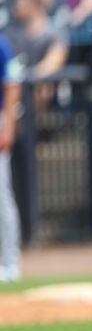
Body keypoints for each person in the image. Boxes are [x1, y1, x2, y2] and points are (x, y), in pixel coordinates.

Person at [0, 32, 21, 283]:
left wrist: (8, 127)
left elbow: (13, 84)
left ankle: (11, 262)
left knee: (2, 195)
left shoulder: (2, 43)